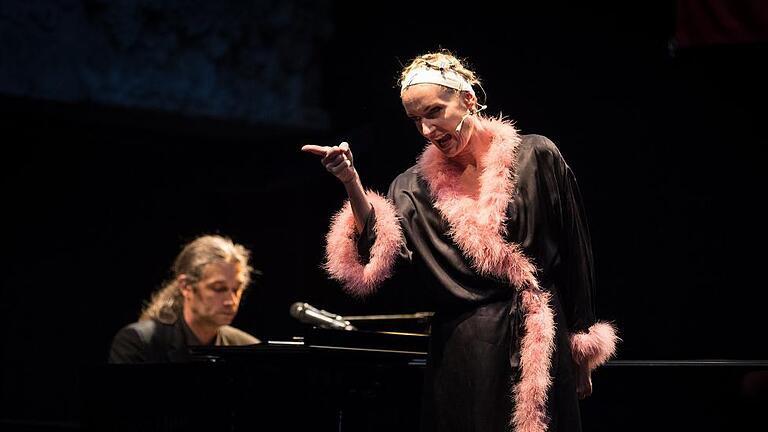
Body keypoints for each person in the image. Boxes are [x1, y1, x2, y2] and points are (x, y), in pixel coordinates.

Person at [302, 50, 617, 432]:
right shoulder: (412, 187)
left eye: (434, 112)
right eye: (416, 120)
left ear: (468, 99)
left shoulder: (536, 156)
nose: (427, 130)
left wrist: (580, 348)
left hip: (542, 343)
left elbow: (575, 250)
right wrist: (352, 183)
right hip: (467, 351)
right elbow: (388, 260)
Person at [109, 235, 260, 364]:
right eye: (218, 288)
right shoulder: (139, 343)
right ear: (186, 286)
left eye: (236, 289)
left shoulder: (249, 348)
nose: (231, 301)